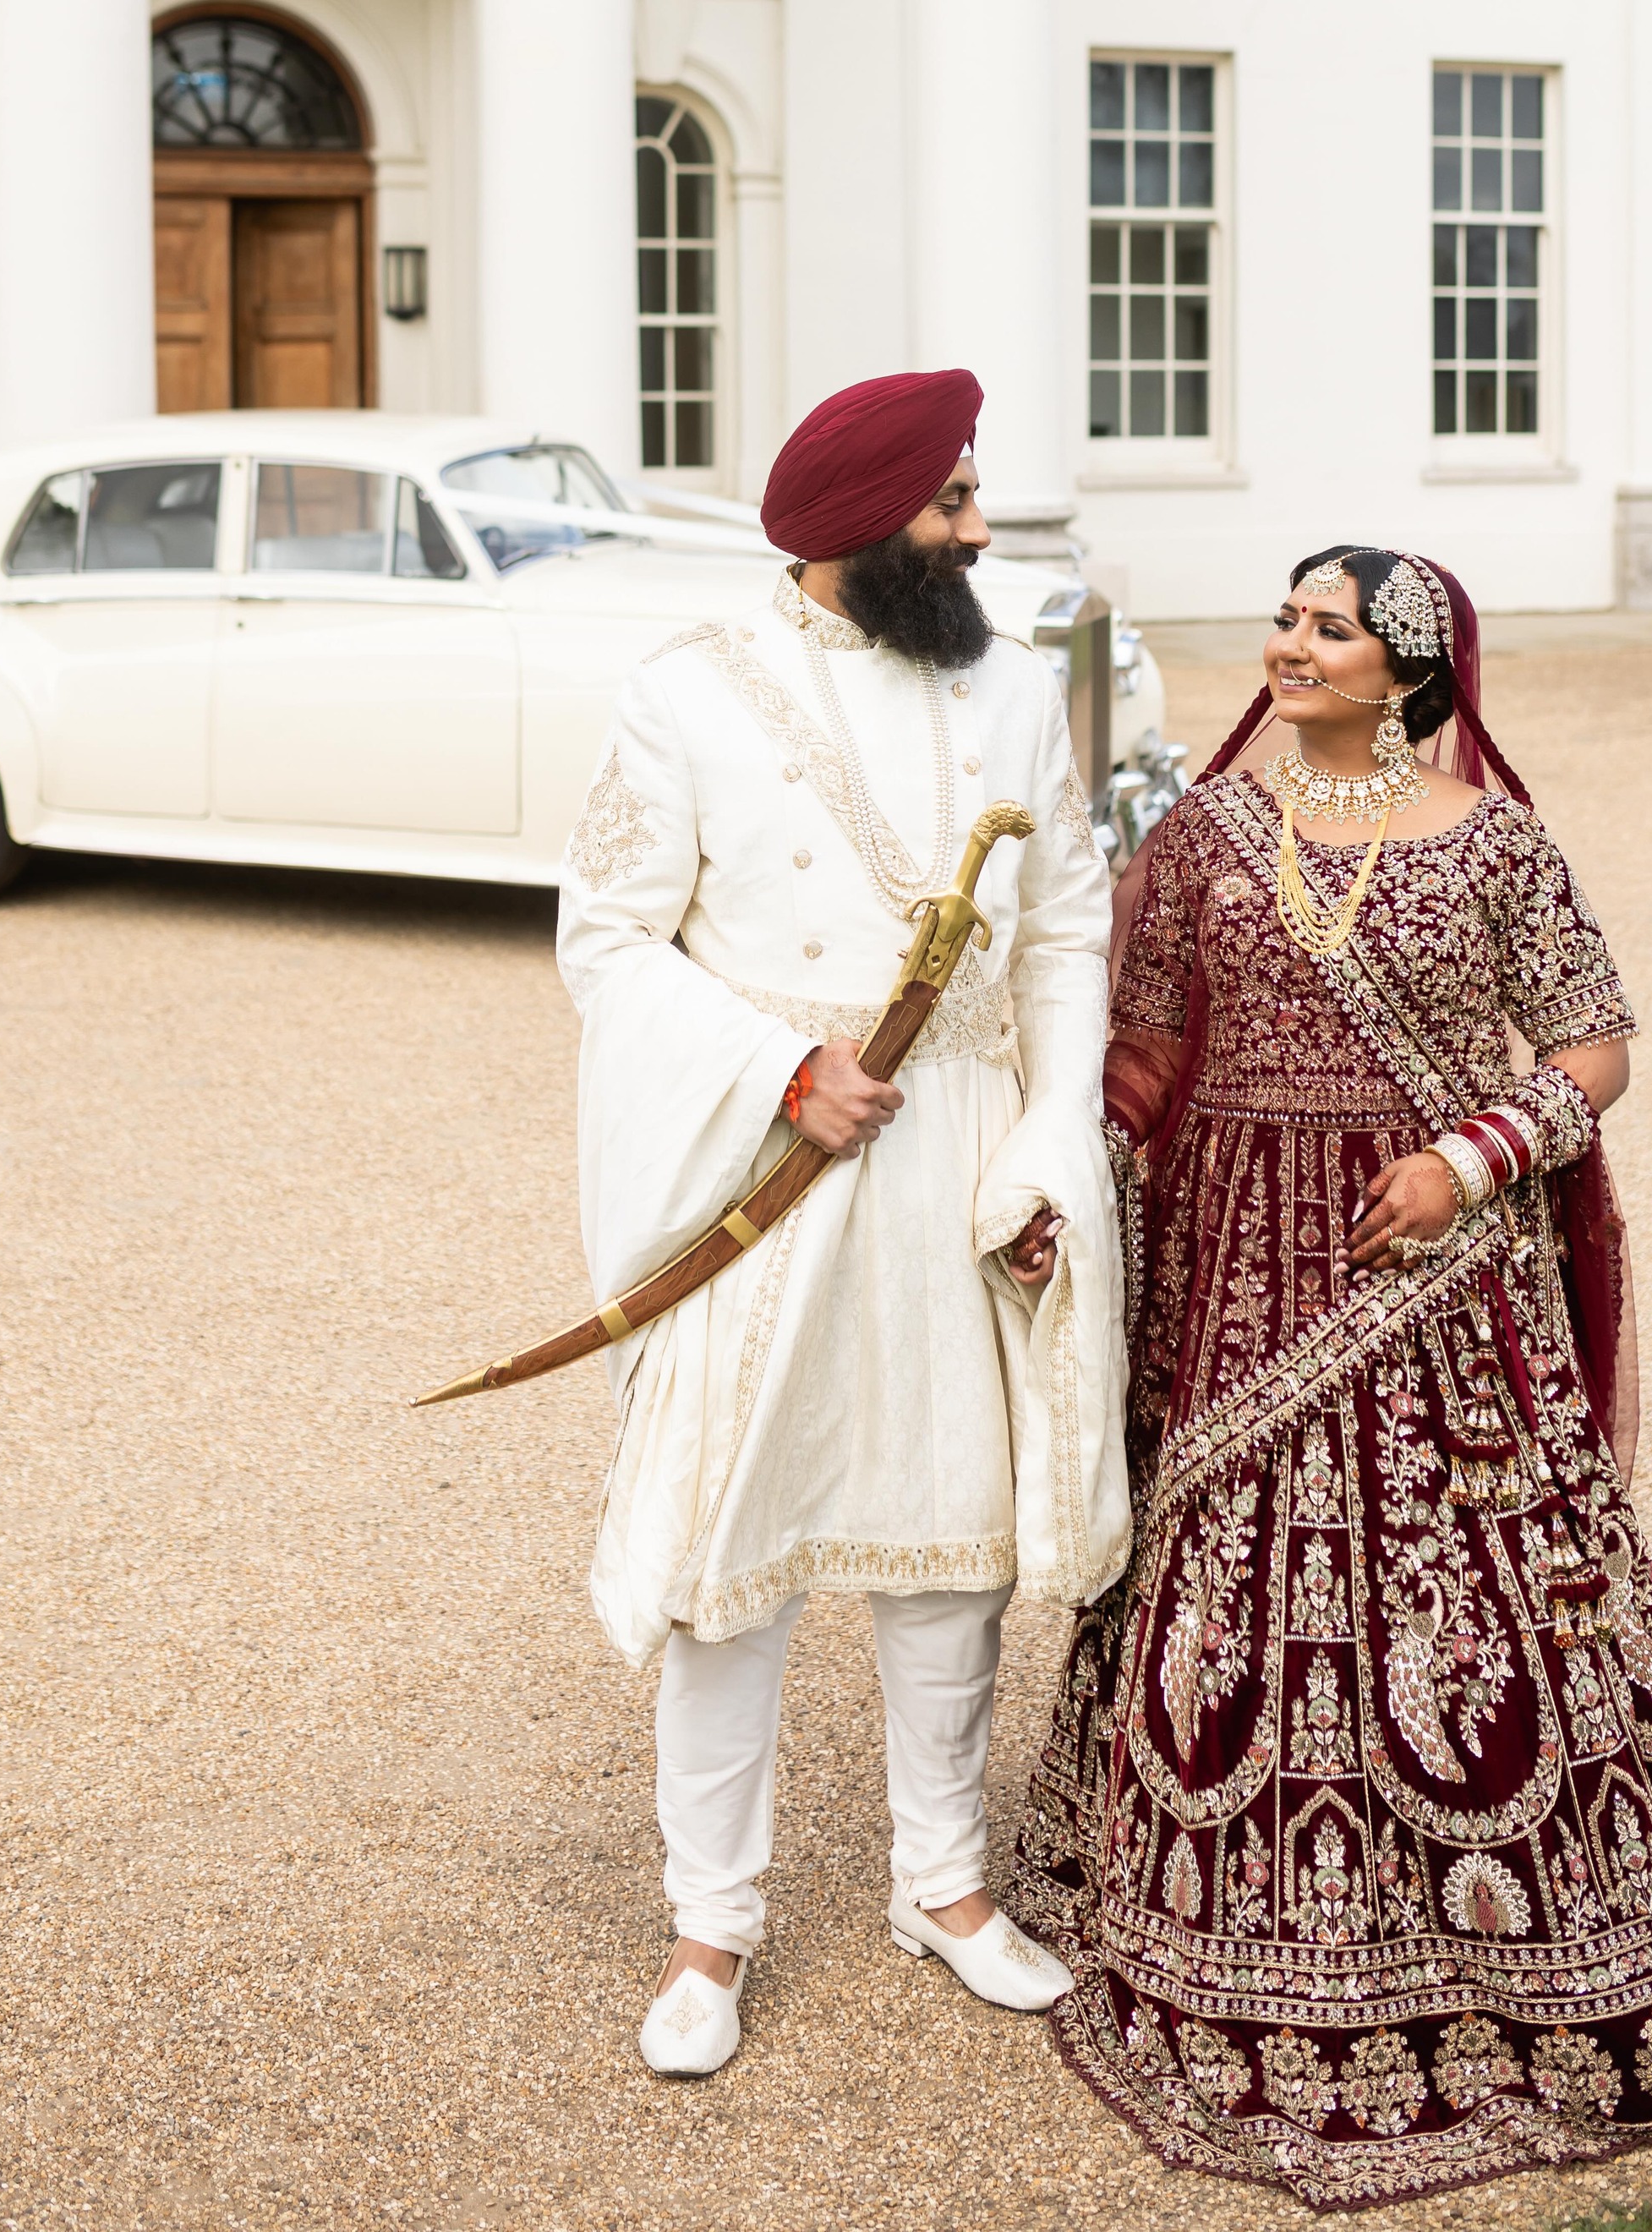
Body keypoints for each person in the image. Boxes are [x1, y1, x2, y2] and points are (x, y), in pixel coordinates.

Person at [1013, 544, 1652, 2202]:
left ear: (1408, 664)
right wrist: (1060, 1202)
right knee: (1226, 1591)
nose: (1287, 643)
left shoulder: (1495, 841)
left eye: (1328, 626)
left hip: (1440, 1273)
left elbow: (1592, 1042)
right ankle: (1227, 1921)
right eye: (1287, 618)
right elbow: (1137, 1061)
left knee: (1476, 1589)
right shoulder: (1199, 839)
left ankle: (1529, 1928)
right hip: (1236, 1271)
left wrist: (1474, 1154)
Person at [557, 369, 1130, 2078]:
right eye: (952, 502)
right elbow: (606, 937)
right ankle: (709, 1918)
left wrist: (1044, 1144)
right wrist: (774, 1069)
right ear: (857, 527)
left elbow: (1064, 934)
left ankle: (942, 1887)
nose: (976, 529)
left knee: (949, 1549)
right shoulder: (687, 697)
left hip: (957, 1148)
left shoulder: (1017, 686)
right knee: (735, 1563)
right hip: (771, 1165)